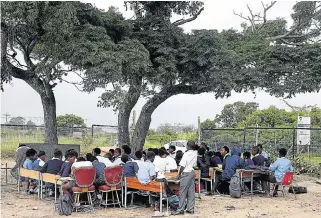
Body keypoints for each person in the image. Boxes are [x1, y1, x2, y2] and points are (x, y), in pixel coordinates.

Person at [172, 141, 197, 215]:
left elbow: (182, 166)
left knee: (182, 192)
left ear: (187, 146)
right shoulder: (195, 153)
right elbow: (195, 164)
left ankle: (180, 209)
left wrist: (178, 175)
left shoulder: (186, 154)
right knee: (191, 191)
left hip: (186, 173)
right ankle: (190, 209)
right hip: (192, 172)